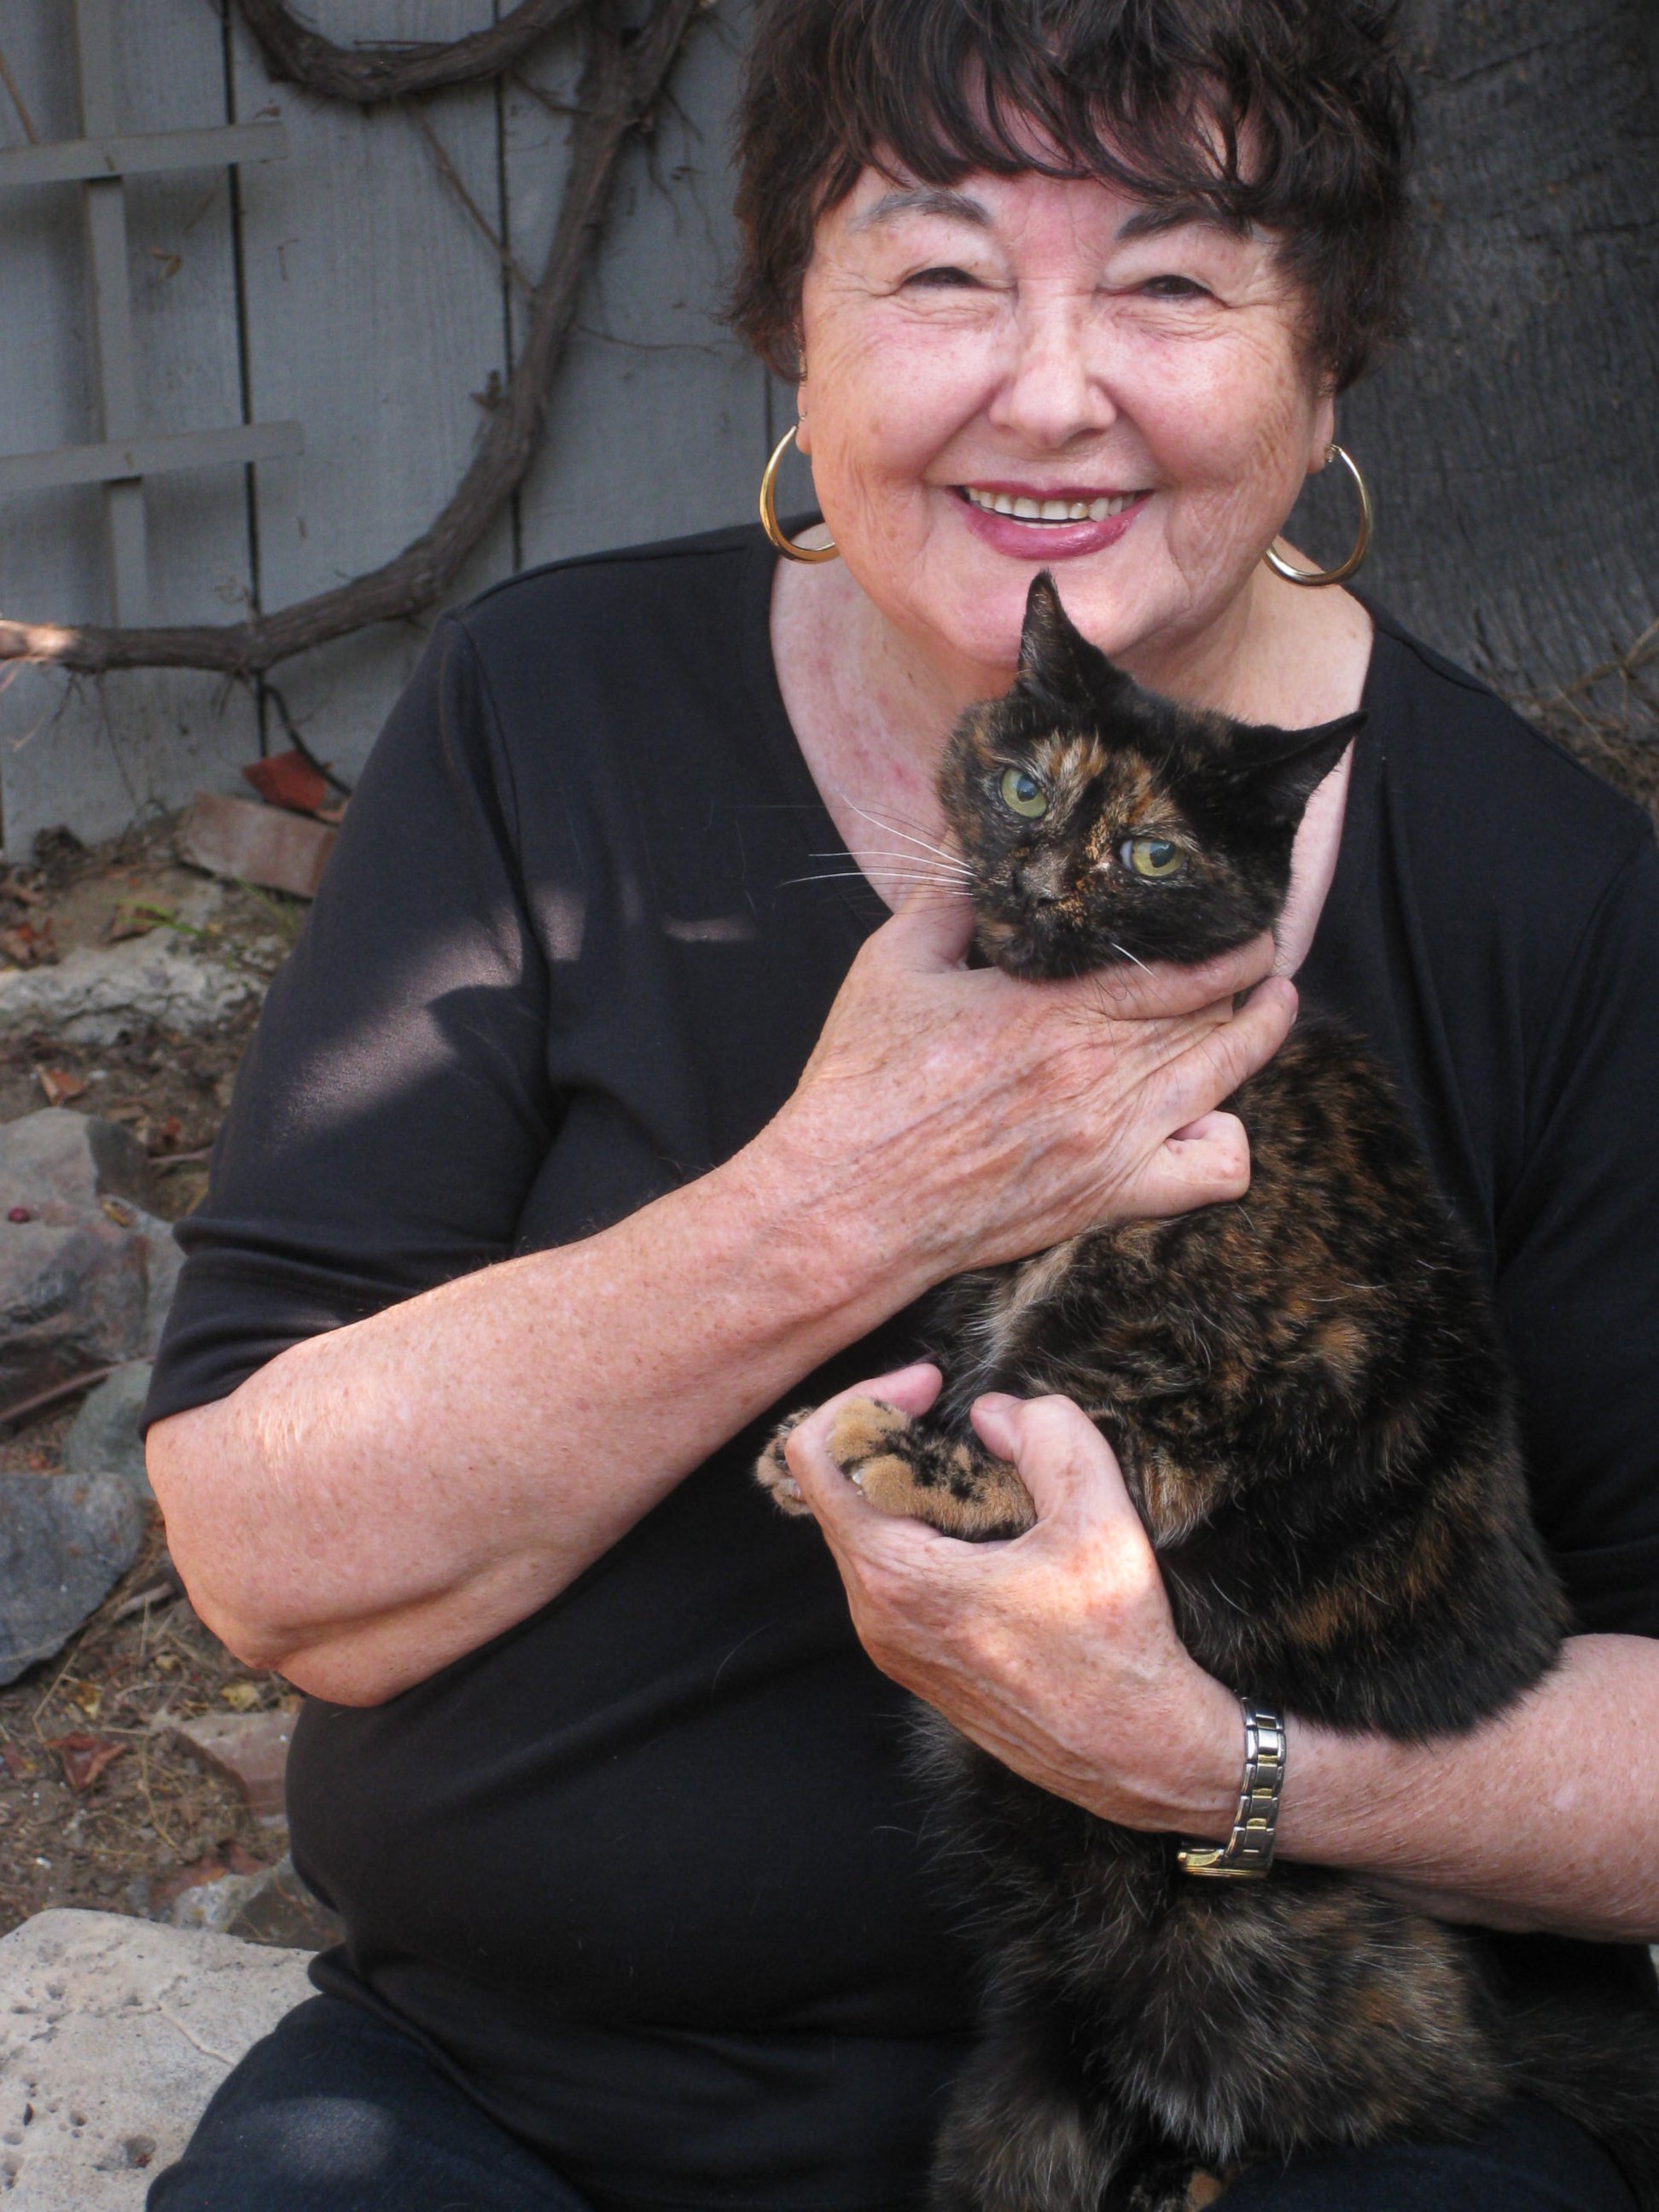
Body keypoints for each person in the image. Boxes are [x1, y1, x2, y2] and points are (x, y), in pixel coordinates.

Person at [143, 1, 1659, 2206]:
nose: (1047, 389)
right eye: (942, 270)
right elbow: (270, 1561)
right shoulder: (539, 725)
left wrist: (1214, 1764)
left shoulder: (1555, 904)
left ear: (1328, 365)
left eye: (1169, 279)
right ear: (794, 338)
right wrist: (838, 1201)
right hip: (538, 2116)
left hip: (1280, 2114)